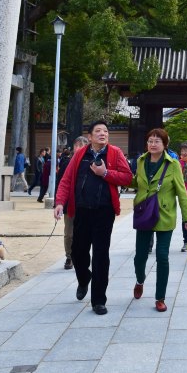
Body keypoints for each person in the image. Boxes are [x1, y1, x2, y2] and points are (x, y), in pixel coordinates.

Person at [54, 120, 132, 315]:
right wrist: (60, 202)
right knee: (77, 252)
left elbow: (127, 177)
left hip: (104, 211)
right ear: (90, 136)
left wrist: (105, 173)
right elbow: (67, 180)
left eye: (105, 131)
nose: (103, 133)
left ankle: (98, 300)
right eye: (98, 131)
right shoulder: (80, 154)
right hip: (81, 210)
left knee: (100, 255)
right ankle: (84, 278)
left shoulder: (115, 153)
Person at [133, 128, 187, 312]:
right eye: (150, 141)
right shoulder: (141, 161)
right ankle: (140, 280)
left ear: (165, 144)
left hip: (164, 215)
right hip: (144, 212)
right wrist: (109, 175)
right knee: (140, 256)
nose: (153, 144)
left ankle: (160, 297)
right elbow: (135, 182)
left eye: (157, 141)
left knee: (162, 256)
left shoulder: (173, 164)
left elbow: (182, 192)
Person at [56, 136, 89, 269]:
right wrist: (59, 202)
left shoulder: (89, 162)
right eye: (77, 145)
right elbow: (61, 183)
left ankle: (81, 255)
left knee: (83, 232)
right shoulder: (66, 163)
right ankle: (69, 256)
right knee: (69, 233)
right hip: (70, 204)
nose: (79, 148)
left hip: (85, 204)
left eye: (82, 146)